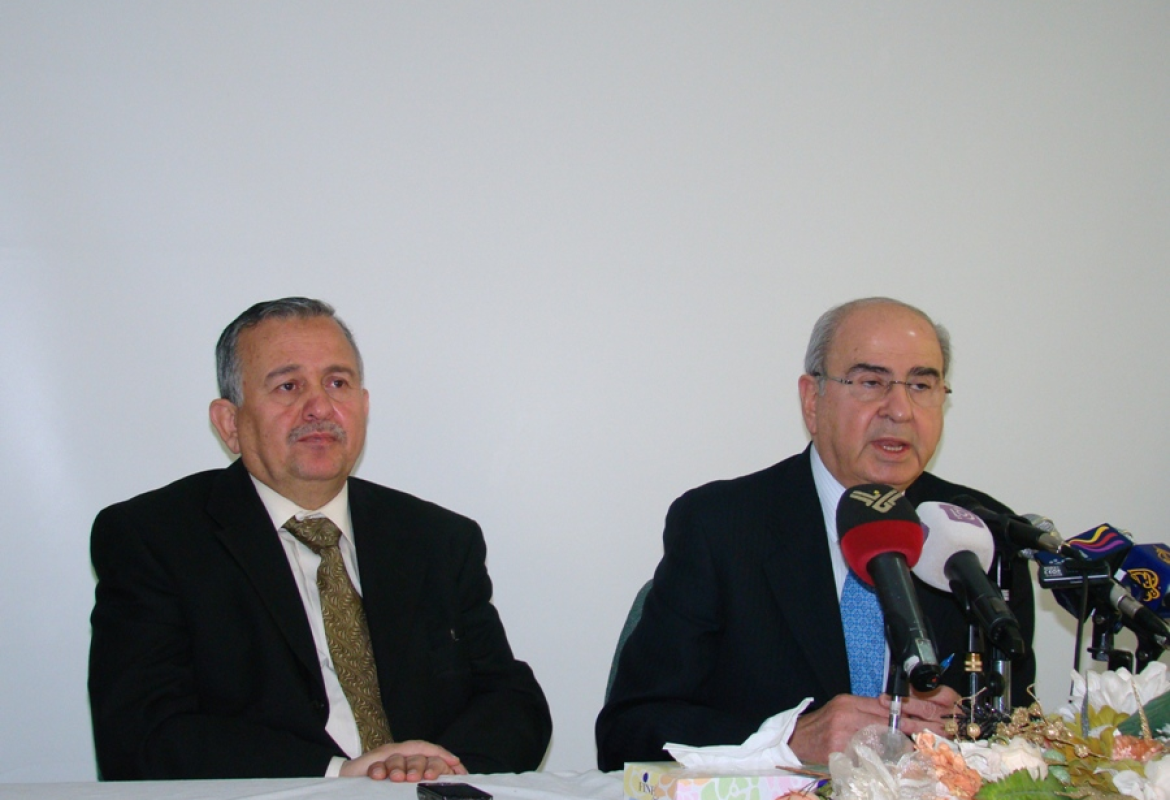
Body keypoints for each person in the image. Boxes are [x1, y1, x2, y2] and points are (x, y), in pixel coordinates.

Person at [89, 298, 551, 781]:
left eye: (337, 383)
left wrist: (439, 769)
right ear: (229, 423)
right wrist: (337, 776)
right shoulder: (154, 539)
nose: (320, 408)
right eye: (288, 386)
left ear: (364, 407)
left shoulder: (438, 539)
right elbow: (142, 734)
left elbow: (511, 700)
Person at [596, 297, 1035, 770]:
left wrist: (968, 733)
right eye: (871, 383)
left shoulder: (980, 535)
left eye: (921, 385)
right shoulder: (722, 526)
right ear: (812, 400)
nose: (900, 410)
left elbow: (1018, 727)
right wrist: (785, 741)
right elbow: (629, 733)